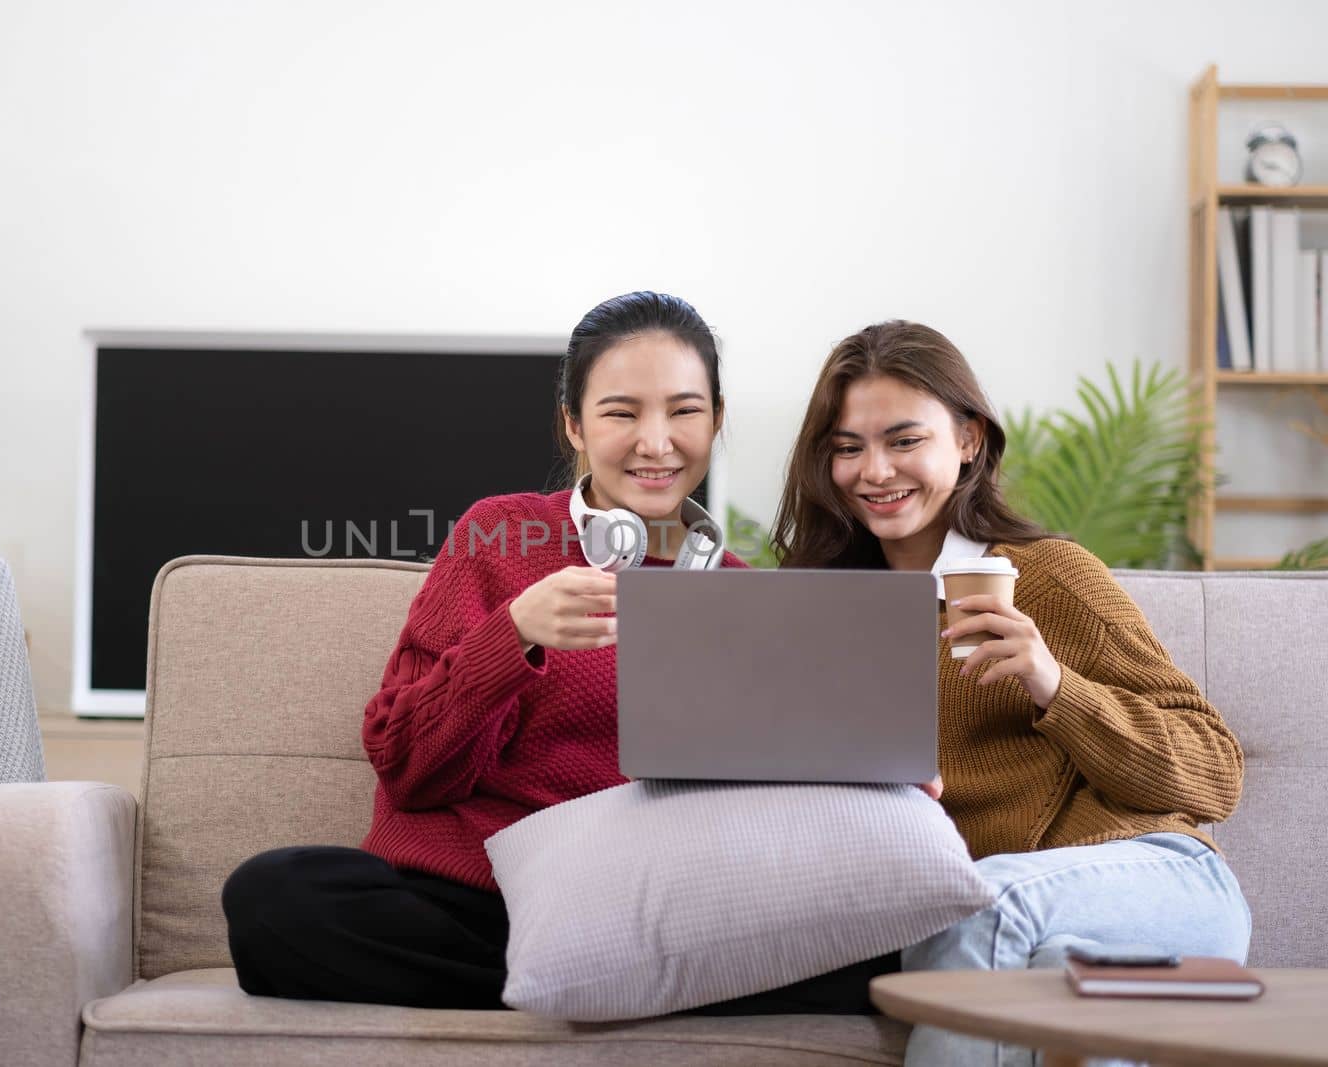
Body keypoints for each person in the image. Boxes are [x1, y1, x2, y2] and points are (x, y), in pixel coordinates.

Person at [222, 291, 893, 1013]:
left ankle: (595, 981)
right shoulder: (497, 537)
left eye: (685, 410)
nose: (656, 441)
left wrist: (882, 775)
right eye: (621, 412)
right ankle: (605, 991)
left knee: (888, 952)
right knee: (273, 896)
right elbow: (406, 764)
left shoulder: (740, 592)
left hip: (635, 906)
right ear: (575, 424)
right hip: (473, 903)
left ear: (717, 419)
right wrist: (509, 635)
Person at [770, 320, 1249, 1066]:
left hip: (1160, 876)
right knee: (1064, 1011)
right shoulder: (827, 616)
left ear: (967, 440)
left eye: (904, 440)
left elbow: (1216, 772)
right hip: (1019, 930)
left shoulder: (1048, 575)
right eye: (847, 446)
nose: (874, 470)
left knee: (983, 905)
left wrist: (1053, 683)